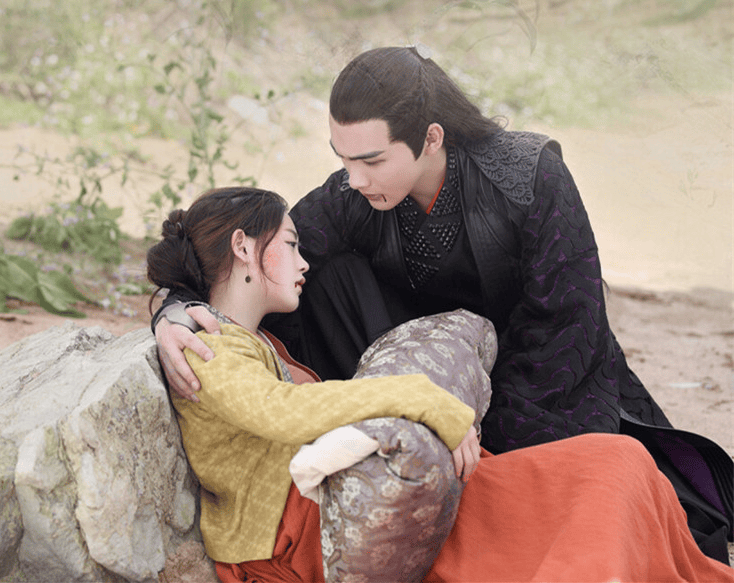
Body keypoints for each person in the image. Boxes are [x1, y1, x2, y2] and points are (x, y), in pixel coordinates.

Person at [152, 46, 733, 563]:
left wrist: (476, 431)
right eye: (343, 160)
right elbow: (254, 259)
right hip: (433, 373)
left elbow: (565, 327)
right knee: (327, 274)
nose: (354, 179)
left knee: (609, 493)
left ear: (432, 138)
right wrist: (173, 309)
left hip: (542, 388)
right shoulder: (354, 193)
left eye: (372, 161)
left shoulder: (530, 178)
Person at [146, 186, 734, 582]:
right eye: (292, 245)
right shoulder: (206, 345)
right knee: (598, 495)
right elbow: (281, 410)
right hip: (319, 532)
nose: (304, 262)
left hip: (365, 492)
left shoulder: (246, 337)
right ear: (243, 247)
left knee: (618, 462)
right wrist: (427, 400)